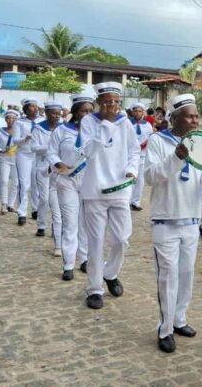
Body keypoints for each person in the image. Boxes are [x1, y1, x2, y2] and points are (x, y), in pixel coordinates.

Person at [145, 94, 202, 353]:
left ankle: (180, 319)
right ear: (175, 118)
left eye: (196, 116)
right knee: (167, 276)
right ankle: (165, 327)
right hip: (165, 220)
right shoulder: (158, 141)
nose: (194, 120)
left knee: (186, 274)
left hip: (191, 219)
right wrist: (176, 157)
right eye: (189, 116)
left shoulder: (201, 143)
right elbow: (150, 176)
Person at [79, 82, 141, 309]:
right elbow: (89, 151)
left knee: (122, 239)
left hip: (120, 190)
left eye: (116, 102)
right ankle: (95, 289)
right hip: (94, 191)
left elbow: (134, 151)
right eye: (108, 102)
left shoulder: (125, 123)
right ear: (99, 103)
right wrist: (105, 124)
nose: (113, 106)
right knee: (95, 242)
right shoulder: (88, 122)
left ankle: (110, 272)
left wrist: (132, 170)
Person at [48, 94, 95, 281]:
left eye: (91, 111)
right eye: (84, 111)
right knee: (70, 223)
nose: (88, 114)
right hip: (66, 180)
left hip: (88, 180)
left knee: (85, 223)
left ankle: (84, 259)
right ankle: (68, 263)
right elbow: (51, 152)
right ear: (75, 112)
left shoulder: (96, 131)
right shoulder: (61, 130)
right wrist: (57, 162)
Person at [32, 101, 63, 252]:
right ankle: (41, 224)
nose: (56, 116)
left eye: (58, 113)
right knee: (44, 198)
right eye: (53, 113)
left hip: (57, 168)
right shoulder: (38, 128)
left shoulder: (62, 128)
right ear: (46, 113)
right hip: (43, 166)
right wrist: (51, 148)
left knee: (56, 202)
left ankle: (55, 228)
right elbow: (34, 147)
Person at [12, 97, 44, 226]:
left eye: (36, 106)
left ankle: (35, 209)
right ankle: (22, 212)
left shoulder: (42, 121)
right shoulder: (19, 122)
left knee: (37, 183)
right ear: (25, 109)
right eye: (31, 106)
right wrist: (25, 139)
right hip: (24, 154)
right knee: (24, 184)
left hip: (38, 154)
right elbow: (15, 140)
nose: (35, 108)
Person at [0, 110, 21, 215]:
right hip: (4, 158)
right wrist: (0, 150)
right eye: (8, 118)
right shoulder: (0, 131)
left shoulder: (20, 132)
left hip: (17, 159)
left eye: (13, 118)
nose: (10, 120)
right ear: (5, 119)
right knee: (4, 180)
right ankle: (4, 204)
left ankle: (11, 204)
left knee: (16, 183)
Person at [129, 103, 153, 211]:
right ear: (132, 112)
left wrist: (144, 144)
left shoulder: (147, 125)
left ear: (143, 112)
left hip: (142, 155)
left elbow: (151, 138)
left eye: (140, 111)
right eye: (136, 111)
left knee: (140, 180)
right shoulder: (128, 124)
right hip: (129, 156)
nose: (138, 113)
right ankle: (127, 201)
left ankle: (136, 202)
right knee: (130, 178)